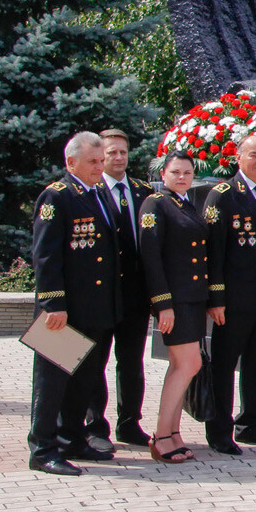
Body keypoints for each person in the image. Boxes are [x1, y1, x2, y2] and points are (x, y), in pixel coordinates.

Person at [27, 132, 121, 476]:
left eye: (101, 161)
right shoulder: (57, 196)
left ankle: (73, 439)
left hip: (96, 307)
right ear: (72, 162)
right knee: (52, 382)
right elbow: (46, 255)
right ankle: (42, 448)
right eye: (93, 162)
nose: (100, 167)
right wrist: (53, 303)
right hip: (63, 311)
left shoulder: (98, 195)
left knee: (86, 378)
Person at [201, 135, 256, 456]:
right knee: (224, 366)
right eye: (254, 155)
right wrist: (216, 298)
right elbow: (213, 252)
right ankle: (220, 430)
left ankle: (252, 422)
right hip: (233, 300)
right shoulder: (222, 196)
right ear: (239, 158)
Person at [81, 128, 155, 450]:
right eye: (111, 152)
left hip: (135, 295)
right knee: (95, 361)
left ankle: (130, 423)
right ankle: (95, 425)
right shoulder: (89, 192)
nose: (119, 157)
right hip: (100, 295)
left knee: (131, 361)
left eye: (123, 152)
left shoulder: (142, 192)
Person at [138, 151, 208, 464]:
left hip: (192, 298)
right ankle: (160, 436)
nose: (182, 177)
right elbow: (150, 256)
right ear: (163, 174)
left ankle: (173, 432)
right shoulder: (155, 204)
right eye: (175, 172)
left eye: (187, 172)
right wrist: (162, 304)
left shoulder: (186, 203)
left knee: (183, 366)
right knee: (188, 364)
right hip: (175, 300)